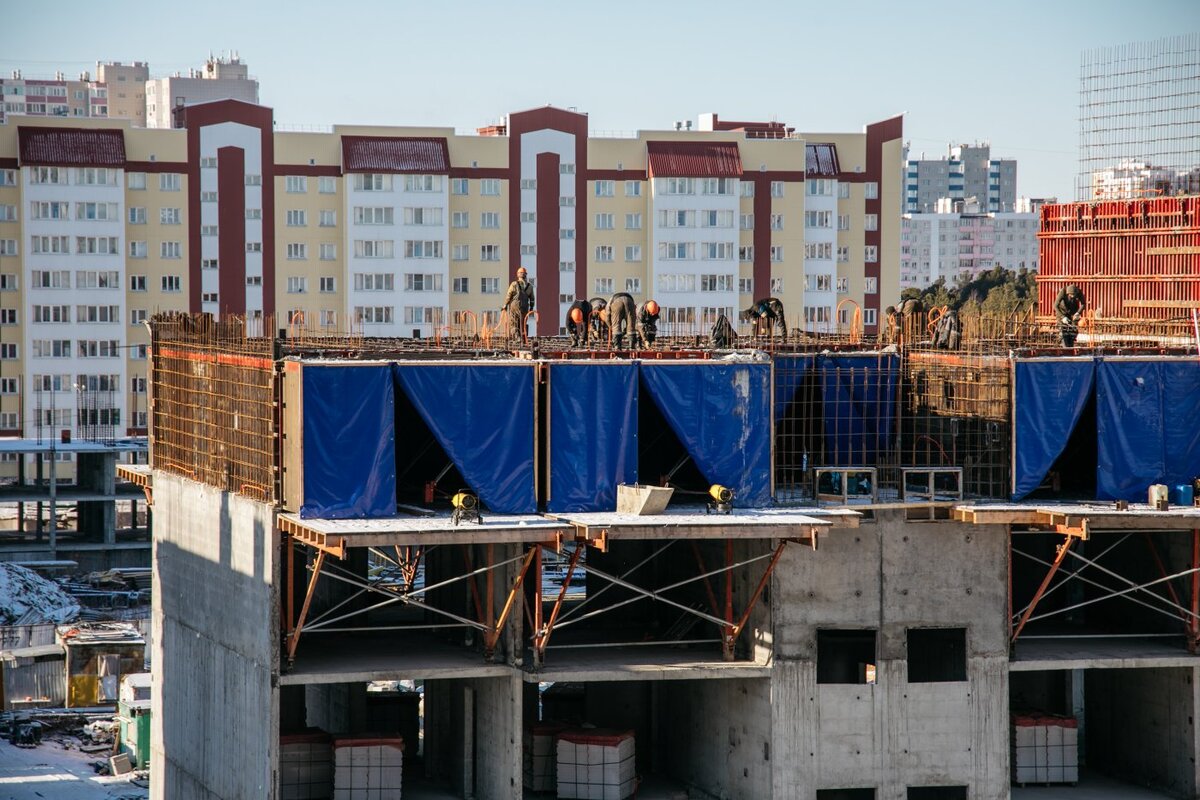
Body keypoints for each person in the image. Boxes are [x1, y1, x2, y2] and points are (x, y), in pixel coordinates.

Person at [502, 266, 535, 341]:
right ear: (525, 275)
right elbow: (532, 299)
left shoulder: (514, 284)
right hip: (525, 308)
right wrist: (531, 308)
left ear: (518, 274)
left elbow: (508, 296)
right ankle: (523, 338)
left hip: (514, 307)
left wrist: (505, 305)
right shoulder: (530, 286)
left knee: (514, 323)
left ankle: (517, 338)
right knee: (523, 323)